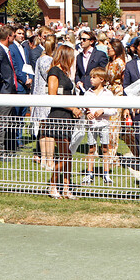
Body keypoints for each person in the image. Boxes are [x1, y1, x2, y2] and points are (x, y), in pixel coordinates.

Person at [41, 45, 81, 199]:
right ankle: (53, 185)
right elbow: (52, 96)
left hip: (67, 117)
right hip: (58, 116)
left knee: (67, 154)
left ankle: (66, 187)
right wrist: (72, 108)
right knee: (64, 154)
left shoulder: (64, 72)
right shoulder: (54, 72)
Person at [81, 67, 117, 185]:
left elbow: (114, 110)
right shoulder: (88, 93)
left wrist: (103, 111)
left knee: (105, 148)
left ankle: (106, 173)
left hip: (104, 124)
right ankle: (89, 173)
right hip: (92, 125)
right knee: (91, 149)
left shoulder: (108, 94)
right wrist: (87, 113)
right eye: (91, 77)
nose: (91, 80)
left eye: (94, 77)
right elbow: (83, 107)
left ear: (101, 79)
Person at [0, 26, 19, 159]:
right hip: (4, 91)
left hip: (9, 90)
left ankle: (8, 149)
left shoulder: (5, 50)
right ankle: (0, 152)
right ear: (8, 37)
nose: (14, 38)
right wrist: (3, 80)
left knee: (9, 121)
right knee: (2, 123)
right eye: (13, 36)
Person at [31, 35, 58, 170]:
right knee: (49, 129)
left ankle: (44, 158)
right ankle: (49, 159)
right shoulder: (47, 60)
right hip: (46, 96)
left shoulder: (40, 59)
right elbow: (50, 77)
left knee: (44, 129)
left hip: (39, 96)